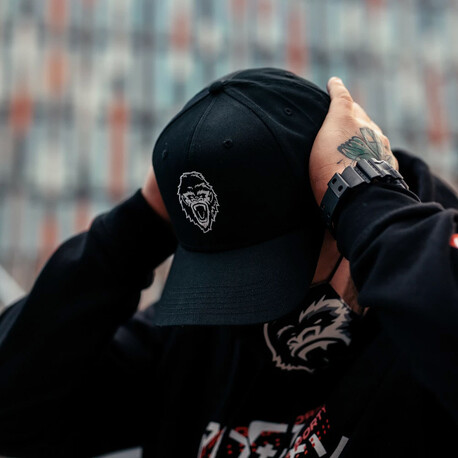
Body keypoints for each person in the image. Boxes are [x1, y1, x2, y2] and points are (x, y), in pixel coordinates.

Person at [0, 68, 457, 458]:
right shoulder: (199, 335)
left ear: (340, 220)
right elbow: (14, 410)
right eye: (224, 279)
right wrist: (138, 226)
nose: (243, 312)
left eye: (270, 276)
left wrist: (366, 192)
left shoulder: (424, 304)